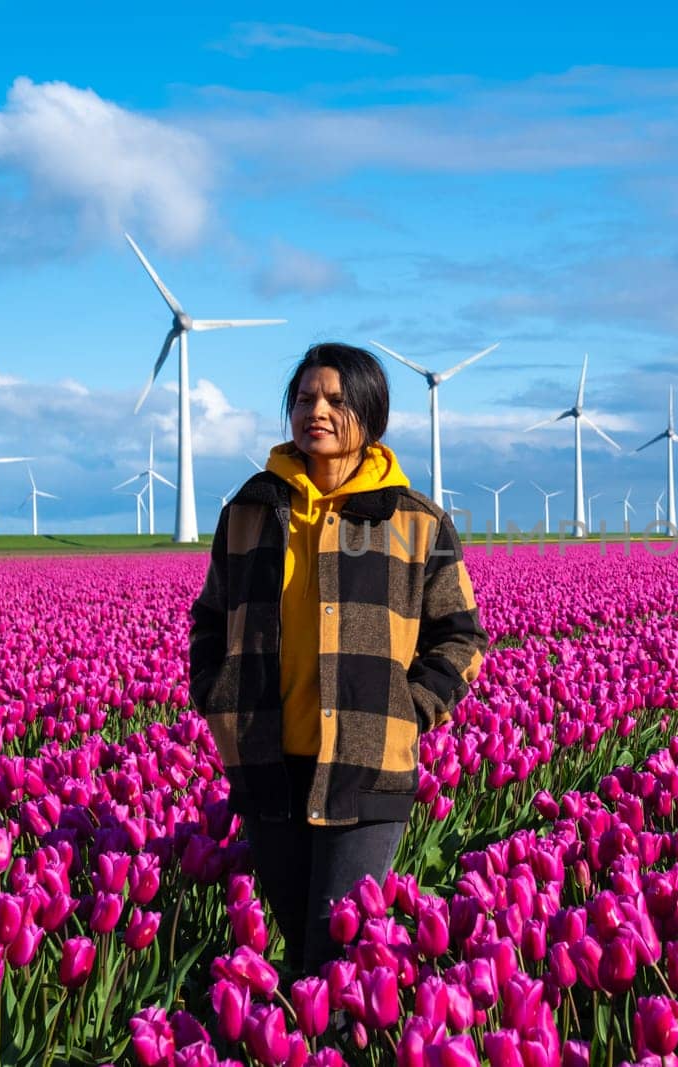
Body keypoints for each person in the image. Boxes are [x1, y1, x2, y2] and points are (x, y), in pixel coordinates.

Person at [188, 342, 488, 975]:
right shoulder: (248, 511)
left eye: (334, 399)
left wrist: (408, 710)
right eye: (303, 399)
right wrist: (217, 696)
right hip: (267, 760)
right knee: (298, 945)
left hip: (366, 762)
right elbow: (210, 616)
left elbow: (461, 637)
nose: (314, 411)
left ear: (370, 414)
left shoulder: (417, 522)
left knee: (337, 955)